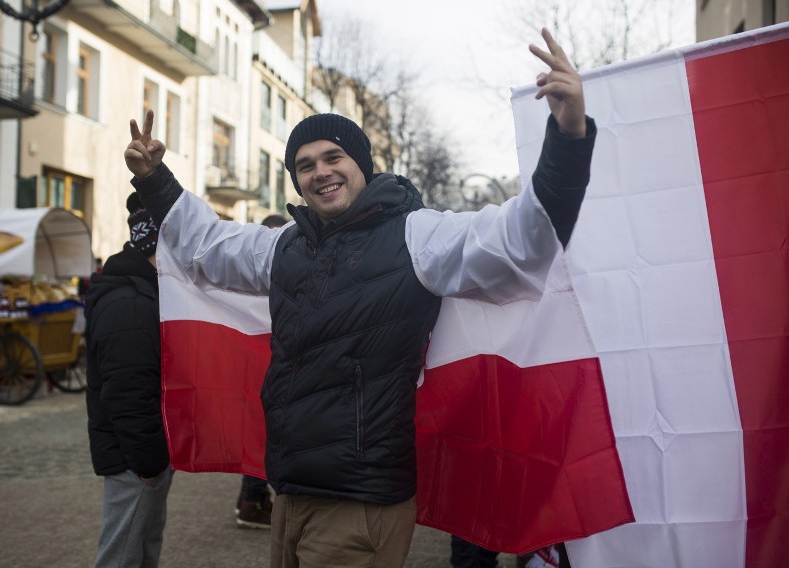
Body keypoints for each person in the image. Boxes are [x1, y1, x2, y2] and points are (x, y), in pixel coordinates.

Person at [124, 28, 594, 568]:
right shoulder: (285, 247)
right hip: (293, 490)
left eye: (333, 156)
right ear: (297, 182)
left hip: (362, 499)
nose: (321, 171)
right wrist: (156, 179)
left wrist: (569, 133)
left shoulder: (417, 235)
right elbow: (208, 244)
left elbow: (523, 240)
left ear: (362, 164)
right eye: (305, 165)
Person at [84, 192, 173, 568]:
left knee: (141, 548)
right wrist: (150, 465)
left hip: (142, 453)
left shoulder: (145, 290)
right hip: (134, 460)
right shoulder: (131, 303)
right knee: (122, 556)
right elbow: (127, 393)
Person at [235, 212, 288, 530]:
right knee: (260, 434)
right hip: (263, 371)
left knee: (261, 434)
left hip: (269, 369)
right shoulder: (259, 272)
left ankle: (252, 499)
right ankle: (252, 500)